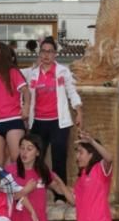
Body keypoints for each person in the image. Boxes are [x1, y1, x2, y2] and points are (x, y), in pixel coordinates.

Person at [6, 134, 73, 221]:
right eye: (22, 148)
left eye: (29, 149)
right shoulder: (10, 172)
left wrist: (60, 182)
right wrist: (26, 191)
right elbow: (8, 196)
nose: (24, 152)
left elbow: (59, 189)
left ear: (37, 152)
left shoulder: (43, 171)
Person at [24, 36, 83, 185]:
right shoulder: (33, 73)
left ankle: (60, 196)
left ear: (55, 54)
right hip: (37, 122)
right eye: (43, 51)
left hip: (59, 123)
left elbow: (71, 92)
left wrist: (79, 111)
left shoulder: (63, 71)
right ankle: (38, 189)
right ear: (39, 53)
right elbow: (26, 96)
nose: (46, 55)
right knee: (36, 158)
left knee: (59, 159)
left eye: (50, 52)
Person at [70, 131, 114, 221]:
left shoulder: (100, 170)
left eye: (80, 152)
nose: (77, 157)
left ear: (91, 154)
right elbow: (73, 201)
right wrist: (58, 184)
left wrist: (92, 141)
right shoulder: (80, 177)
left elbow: (109, 158)